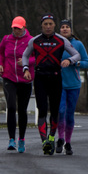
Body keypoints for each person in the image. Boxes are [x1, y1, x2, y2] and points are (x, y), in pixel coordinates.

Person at [21, 14, 82, 155]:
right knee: (42, 110)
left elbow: (77, 54)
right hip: (40, 78)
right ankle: (44, 142)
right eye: (45, 24)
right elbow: (25, 55)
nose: (48, 27)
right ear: (41, 25)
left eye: (50, 24)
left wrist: (70, 61)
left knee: (55, 111)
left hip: (56, 77)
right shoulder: (35, 40)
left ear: (54, 25)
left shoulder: (61, 40)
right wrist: (25, 69)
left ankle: (51, 138)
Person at [0, 16, 34, 152]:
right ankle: (11, 139)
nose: (16, 31)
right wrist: (0, 64)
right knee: (11, 107)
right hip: (9, 77)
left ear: (24, 27)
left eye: (19, 28)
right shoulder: (6, 39)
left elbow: (37, 57)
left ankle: (22, 139)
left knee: (22, 110)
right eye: (14, 28)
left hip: (25, 78)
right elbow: (0, 53)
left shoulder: (31, 41)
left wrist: (26, 62)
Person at [57, 19, 88, 155]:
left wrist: (74, 63)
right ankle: (60, 139)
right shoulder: (56, 43)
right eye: (62, 27)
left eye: (67, 27)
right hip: (59, 84)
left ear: (71, 30)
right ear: (59, 30)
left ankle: (68, 143)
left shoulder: (78, 44)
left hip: (74, 85)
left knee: (69, 114)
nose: (65, 29)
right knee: (60, 111)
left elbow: (87, 63)